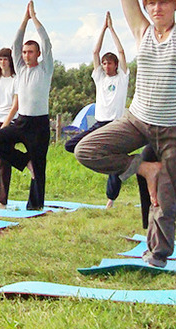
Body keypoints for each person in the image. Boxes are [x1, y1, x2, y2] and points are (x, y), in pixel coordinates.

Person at [75, 0, 176, 267]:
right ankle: (145, 169)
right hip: (139, 121)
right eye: (151, 4)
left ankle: (157, 255)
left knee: (166, 199)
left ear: (175, 5)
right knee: (87, 149)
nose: (156, 9)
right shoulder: (141, 31)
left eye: (163, 3)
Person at [0, 1, 54, 211]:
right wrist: (23, 20)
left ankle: (35, 206)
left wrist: (34, 19)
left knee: (40, 167)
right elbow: (15, 44)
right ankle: (25, 162)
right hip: (21, 122)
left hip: (40, 124)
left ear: (38, 54)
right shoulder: (21, 69)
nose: (26, 55)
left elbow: (47, 42)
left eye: (30, 52)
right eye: (24, 52)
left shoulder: (45, 69)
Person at [63, 12, 129, 209]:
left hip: (116, 124)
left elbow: (123, 52)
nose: (106, 66)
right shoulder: (100, 78)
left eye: (109, 63)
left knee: (115, 166)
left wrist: (113, 30)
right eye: (104, 63)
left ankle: (111, 200)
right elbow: (94, 52)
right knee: (71, 146)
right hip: (99, 124)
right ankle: (101, 162)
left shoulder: (121, 78)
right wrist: (103, 29)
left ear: (115, 65)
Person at [0, 47, 19, 208]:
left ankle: (1, 199)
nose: (2, 62)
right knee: (1, 155)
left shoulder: (16, 78)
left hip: (11, 121)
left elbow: (15, 104)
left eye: (5, 59)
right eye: (0, 59)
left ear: (10, 61)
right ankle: (22, 160)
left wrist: (4, 126)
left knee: (4, 161)